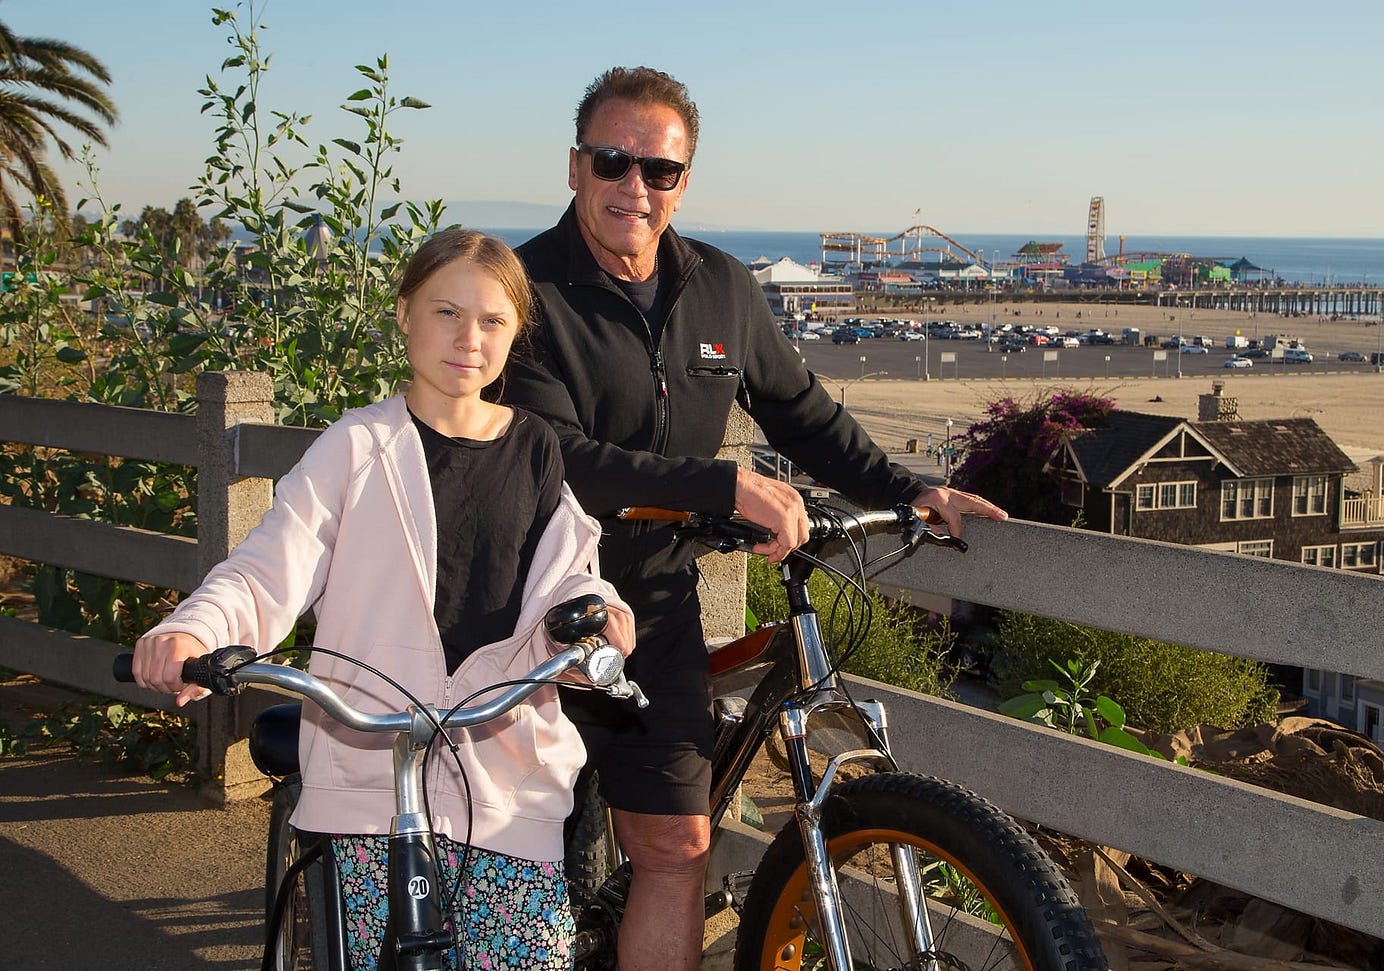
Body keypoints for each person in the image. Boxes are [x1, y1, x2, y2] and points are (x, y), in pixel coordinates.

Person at [501, 66, 1009, 971]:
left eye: (659, 170)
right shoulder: (524, 290)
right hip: (530, 602)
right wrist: (726, 487)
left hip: (655, 605)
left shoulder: (722, 286)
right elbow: (559, 458)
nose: (635, 187)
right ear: (574, 167)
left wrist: (906, 491)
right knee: (511, 848)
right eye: (613, 162)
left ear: (684, 181)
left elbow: (802, 410)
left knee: (675, 849)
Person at [131, 230, 634, 971]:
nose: (469, 338)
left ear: (515, 333)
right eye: (446, 312)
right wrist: (193, 628)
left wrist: (598, 613)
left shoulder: (535, 447)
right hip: (374, 784)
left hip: (504, 780)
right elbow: (272, 566)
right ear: (403, 313)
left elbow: (568, 570)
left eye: (493, 320)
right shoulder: (356, 446)